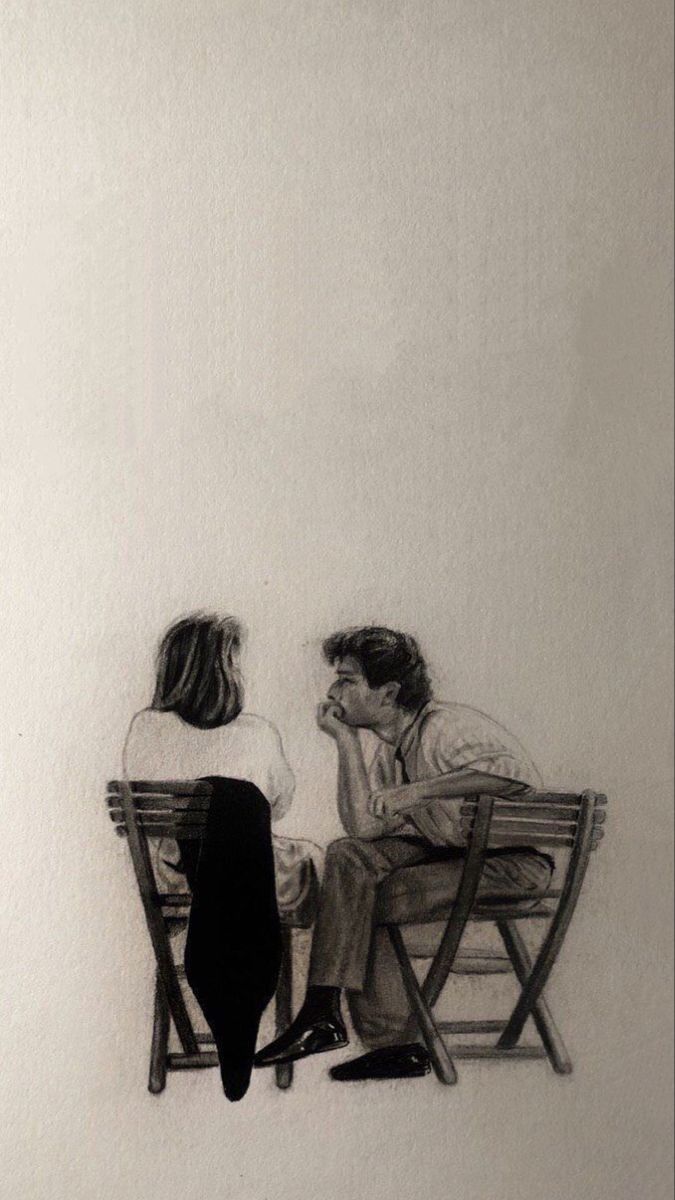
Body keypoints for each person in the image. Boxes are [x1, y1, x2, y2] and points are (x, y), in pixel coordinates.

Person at [254, 626, 553, 1081]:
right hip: (450, 858)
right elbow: (364, 827)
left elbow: (515, 776)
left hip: (512, 865)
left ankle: (386, 1042)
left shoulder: (445, 725)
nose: (333, 692)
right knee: (349, 857)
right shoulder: (388, 751)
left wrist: (419, 792)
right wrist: (346, 742)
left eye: (346, 680)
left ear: (389, 692)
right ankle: (325, 1014)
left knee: (359, 898)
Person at [123, 612, 296, 893]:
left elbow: (149, 815)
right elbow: (279, 802)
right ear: (221, 673)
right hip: (249, 874)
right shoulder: (257, 732)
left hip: (174, 876)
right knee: (311, 860)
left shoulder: (146, 726)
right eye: (235, 665)